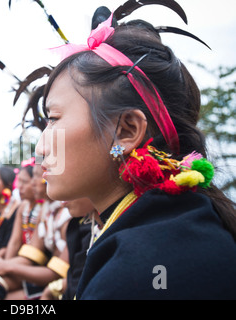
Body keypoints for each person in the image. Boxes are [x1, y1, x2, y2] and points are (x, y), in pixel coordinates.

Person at [34, 5, 236, 299]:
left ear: (127, 130)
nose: (39, 149)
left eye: (53, 119)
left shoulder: (141, 269)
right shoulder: (171, 227)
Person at [0, 163, 71, 300]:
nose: (33, 182)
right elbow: (28, 255)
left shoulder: (67, 215)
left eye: (34, 176)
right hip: (39, 274)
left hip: (61, 284)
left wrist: (4, 266)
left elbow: (56, 274)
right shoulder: (47, 210)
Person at [40, 197, 99, 300]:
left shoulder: (71, 220)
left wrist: (51, 289)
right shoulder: (78, 222)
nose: (62, 201)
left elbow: (56, 273)